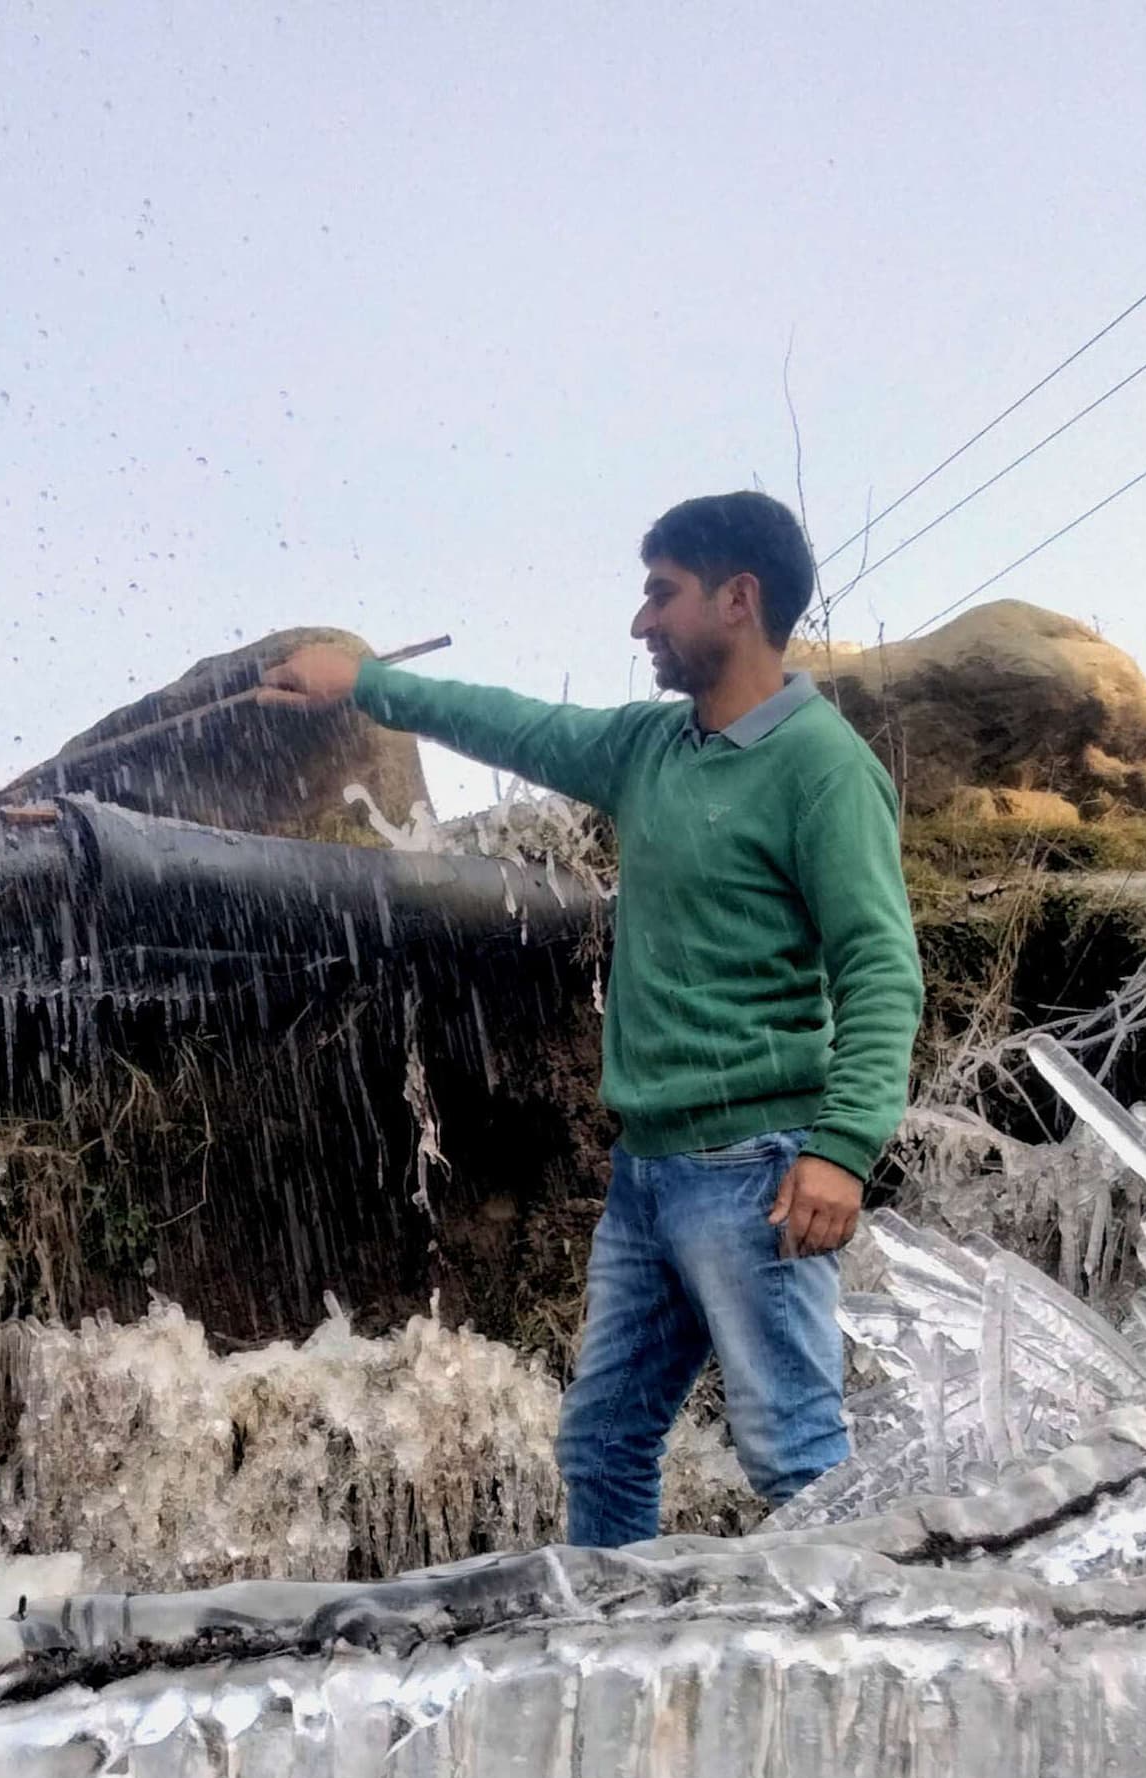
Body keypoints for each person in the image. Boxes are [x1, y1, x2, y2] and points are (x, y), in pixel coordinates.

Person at [257, 490, 922, 1546]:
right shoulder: (651, 748)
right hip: (649, 1174)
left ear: (738, 599)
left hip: (755, 1169)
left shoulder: (823, 769)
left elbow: (882, 966)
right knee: (603, 1441)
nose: (641, 621)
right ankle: (619, 1667)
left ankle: (899, 1668)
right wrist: (363, 684)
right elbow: (515, 723)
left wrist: (842, 1151)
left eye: (662, 595)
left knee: (797, 1458)